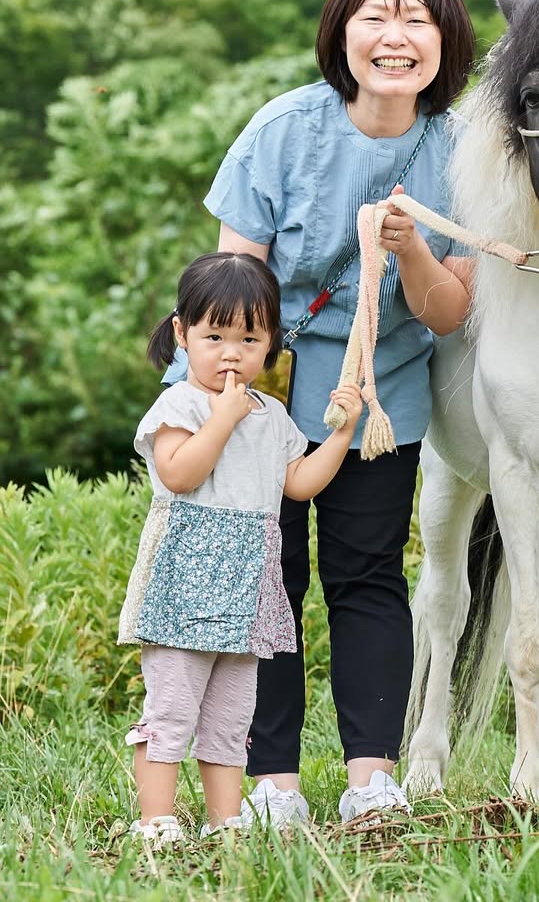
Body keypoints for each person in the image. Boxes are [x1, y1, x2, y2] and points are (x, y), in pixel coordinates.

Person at [202, 0, 475, 827]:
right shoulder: (282, 129)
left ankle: (370, 778)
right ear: (343, 32)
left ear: (445, 40)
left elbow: (445, 313)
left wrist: (411, 246)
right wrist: (224, 401)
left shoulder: (462, 152)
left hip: (380, 401)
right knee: (267, 578)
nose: (395, 38)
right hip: (266, 396)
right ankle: (274, 782)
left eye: (417, 20)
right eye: (376, 18)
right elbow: (232, 280)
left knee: (366, 577)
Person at [118, 252, 363, 843]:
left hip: (248, 587)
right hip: (185, 583)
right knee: (173, 709)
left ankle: (225, 821)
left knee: (231, 717)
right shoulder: (180, 406)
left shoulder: (271, 413)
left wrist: (342, 435)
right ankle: (156, 821)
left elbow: (298, 484)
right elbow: (179, 473)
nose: (231, 352)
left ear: (270, 341)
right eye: (214, 336)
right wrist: (222, 418)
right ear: (182, 333)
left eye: (249, 338)